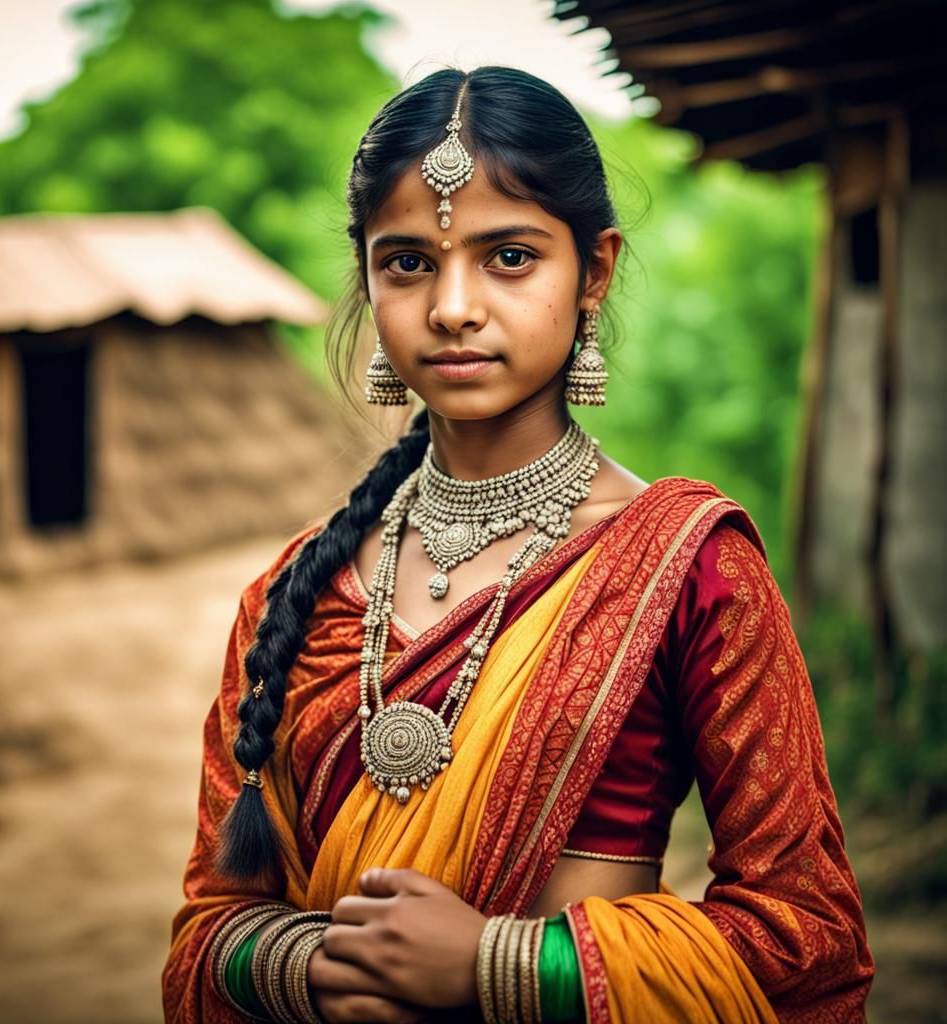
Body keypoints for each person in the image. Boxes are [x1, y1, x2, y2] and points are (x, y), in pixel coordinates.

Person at [163, 66, 873, 1023]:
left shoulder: (689, 566)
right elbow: (211, 928)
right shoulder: (296, 589)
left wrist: (498, 965)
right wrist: (309, 967)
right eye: (408, 262)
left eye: (509, 257)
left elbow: (808, 933)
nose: (453, 306)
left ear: (597, 269)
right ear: (367, 275)